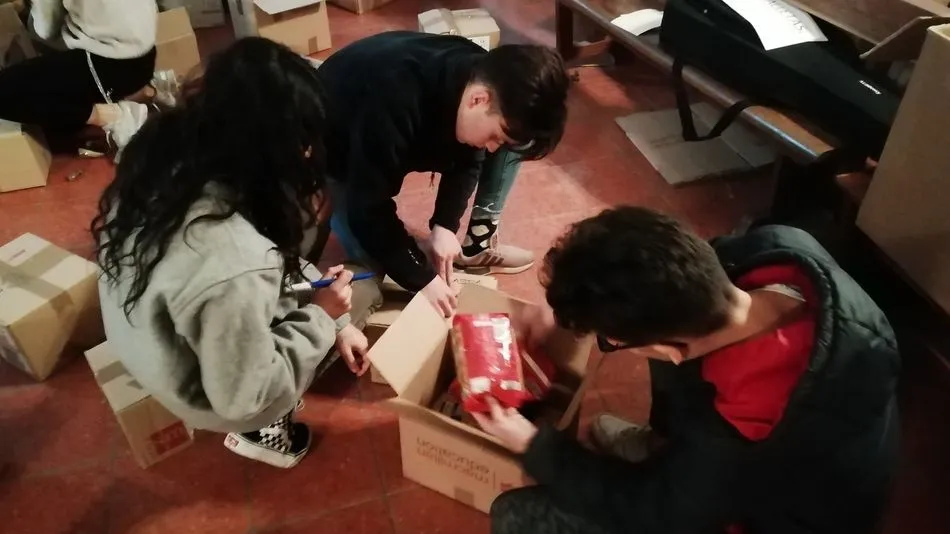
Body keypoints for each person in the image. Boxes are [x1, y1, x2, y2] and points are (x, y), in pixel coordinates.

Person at [475, 207, 900, 534]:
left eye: (610, 340)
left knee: (516, 515)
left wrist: (535, 446)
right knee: (667, 352)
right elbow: (644, 277)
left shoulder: (752, 418)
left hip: (774, 518)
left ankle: (665, 461)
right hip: (791, 453)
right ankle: (661, 449)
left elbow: (661, 512)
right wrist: (564, 310)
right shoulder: (775, 251)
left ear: (671, 347)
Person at [92, 38, 381, 469]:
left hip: (142, 338)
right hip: (209, 392)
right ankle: (264, 433)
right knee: (365, 287)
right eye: (303, 142)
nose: (308, 154)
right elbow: (246, 396)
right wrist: (325, 318)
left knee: (311, 292)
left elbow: (262, 266)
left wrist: (330, 316)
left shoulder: (163, 151)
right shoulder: (234, 260)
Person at [314, 31, 570, 317]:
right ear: (478, 100)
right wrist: (423, 280)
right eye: (494, 137)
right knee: (376, 268)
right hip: (333, 141)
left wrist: (445, 225)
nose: (491, 148)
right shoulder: (395, 98)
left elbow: (470, 159)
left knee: (502, 142)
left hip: (385, 106)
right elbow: (368, 208)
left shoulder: (484, 76)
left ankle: (476, 244)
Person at [0, 0, 158, 159]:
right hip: (145, 55)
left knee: (9, 91)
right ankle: (141, 91)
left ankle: (113, 115)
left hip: (111, 64)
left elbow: (45, 30)